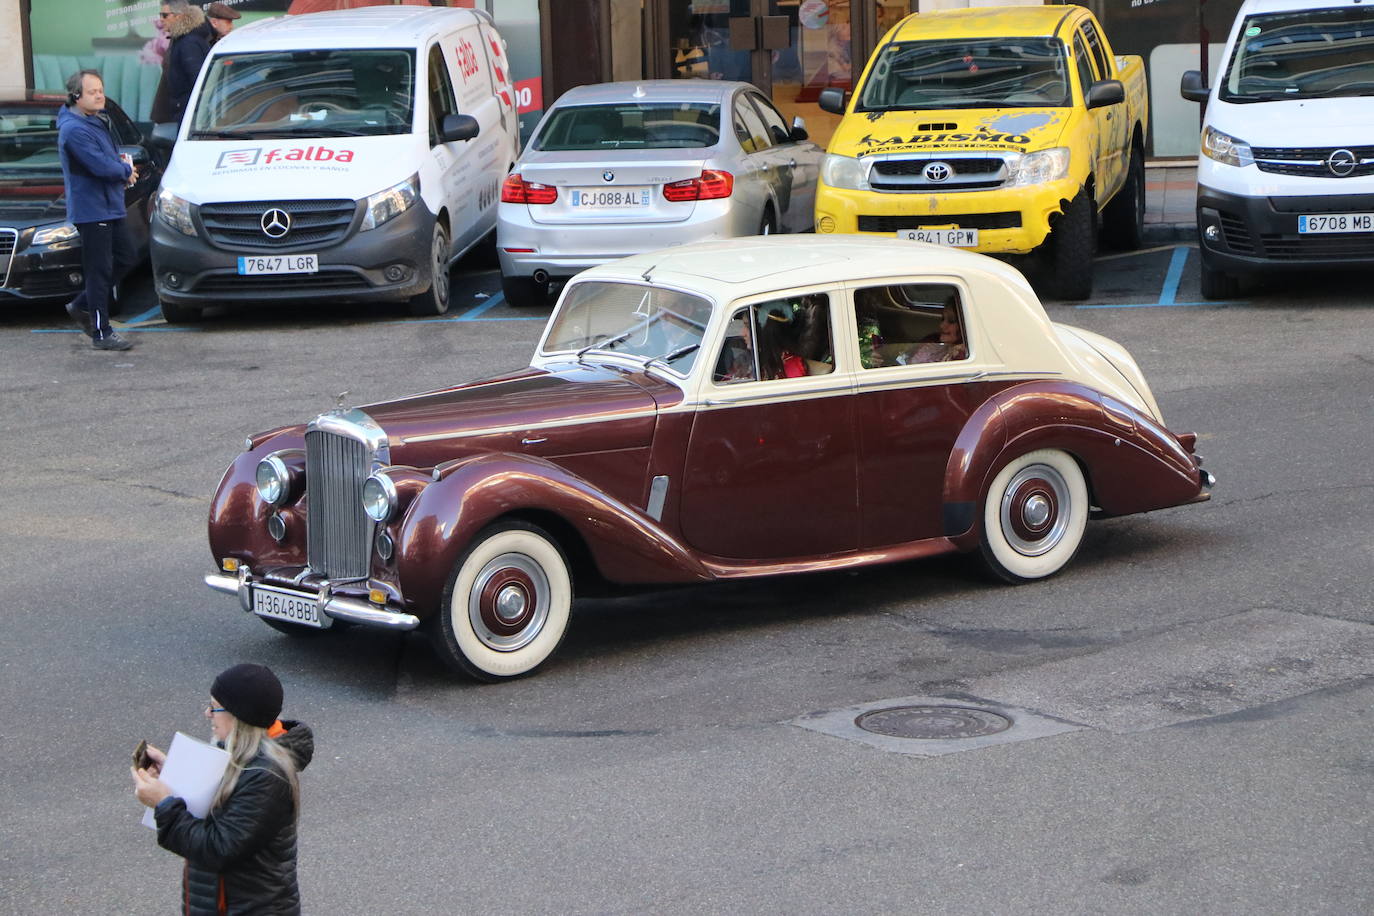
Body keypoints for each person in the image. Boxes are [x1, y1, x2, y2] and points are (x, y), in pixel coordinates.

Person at [132, 663, 315, 915]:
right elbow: (214, 808)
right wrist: (172, 777)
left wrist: (164, 805)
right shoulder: (240, 756)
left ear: (239, 716)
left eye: (214, 706)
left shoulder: (267, 776)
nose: (207, 713)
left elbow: (219, 848)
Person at [57, 69, 137, 351]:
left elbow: (108, 158)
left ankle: (81, 305)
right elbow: (100, 166)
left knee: (127, 257)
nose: (100, 95)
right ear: (76, 97)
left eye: (101, 89)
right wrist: (125, 170)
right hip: (92, 210)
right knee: (99, 271)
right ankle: (101, 332)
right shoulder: (74, 129)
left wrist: (121, 168)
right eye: (92, 92)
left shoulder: (96, 120)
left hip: (109, 206)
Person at [151, 1, 214, 127]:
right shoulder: (183, 39)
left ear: (178, 16)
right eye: (160, 15)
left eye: (165, 15)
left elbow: (198, 82)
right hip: (186, 111)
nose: (161, 20)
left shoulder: (188, 43)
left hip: (191, 116)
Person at [898, 303, 968, 364]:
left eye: (951, 321)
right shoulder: (932, 339)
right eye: (943, 319)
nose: (942, 325)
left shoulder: (963, 356)